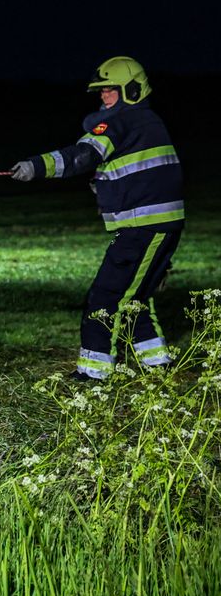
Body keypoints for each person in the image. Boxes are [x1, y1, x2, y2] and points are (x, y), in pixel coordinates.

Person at [11, 56, 184, 381]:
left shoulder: (121, 122)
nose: (103, 97)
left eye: (109, 90)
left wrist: (37, 166)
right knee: (134, 298)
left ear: (132, 90)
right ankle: (157, 363)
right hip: (157, 226)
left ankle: (93, 372)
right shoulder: (148, 123)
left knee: (105, 297)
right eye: (101, 91)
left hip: (143, 228)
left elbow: (84, 155)